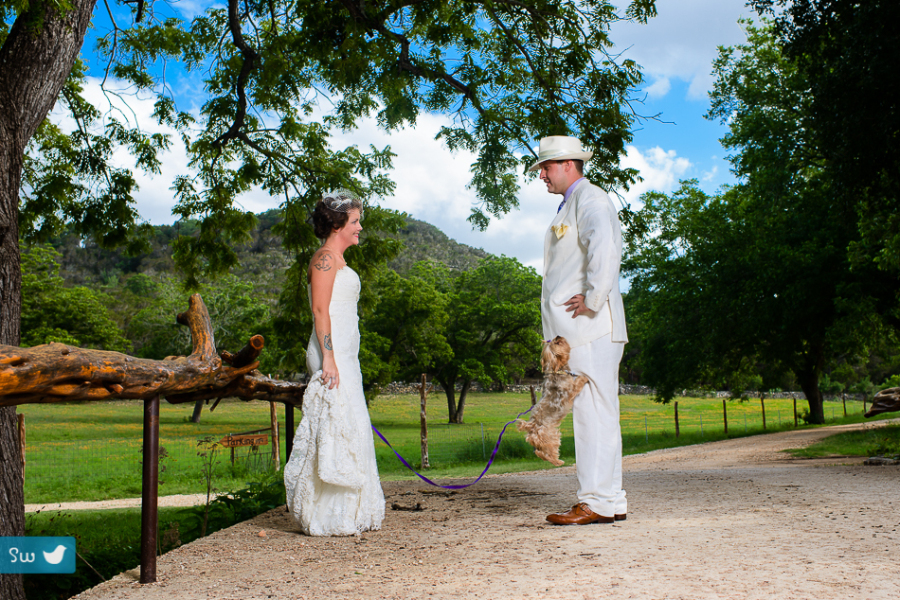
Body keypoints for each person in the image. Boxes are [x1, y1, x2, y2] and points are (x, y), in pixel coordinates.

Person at [532, 135, 629, 525]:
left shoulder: (590, 199)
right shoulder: (570, 203)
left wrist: (593, 296)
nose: (541, 174)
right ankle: (611, 499)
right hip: (578, 329)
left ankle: (595, 502)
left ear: (569, 164)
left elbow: (604, 247)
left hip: (590, 326)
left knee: (593, 413)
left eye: (547, 166)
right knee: (598, 411)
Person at [283, 190, 385, 536]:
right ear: (339, 224)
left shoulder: (339, 260)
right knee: (337, 423)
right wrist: (328, 357)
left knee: (352, 421)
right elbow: (319, 310)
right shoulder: (324, 259)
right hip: (332, 355)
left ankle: (353, 510)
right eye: (355, 221)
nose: (360, 228)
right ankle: (328, 513)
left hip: (346, 355)